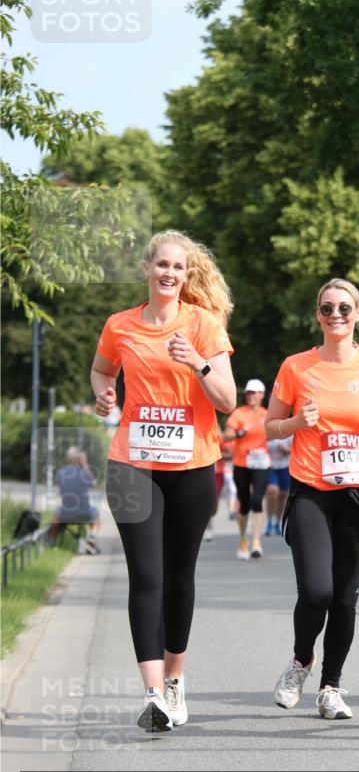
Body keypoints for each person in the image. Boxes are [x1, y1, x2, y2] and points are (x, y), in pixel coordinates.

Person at [91, 229, 236, 732]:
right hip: (132, 464)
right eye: (162, 266)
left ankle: (175, 678)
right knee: (146, 576)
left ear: (186, 276)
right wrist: (105, 394)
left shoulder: (204, 325)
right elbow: (101, 371)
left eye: (178, 268)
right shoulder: (120, 325)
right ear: (148, 270)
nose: (169, 274)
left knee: (179, 576)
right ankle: (152, 693)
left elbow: (227, 400)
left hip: (193, 465)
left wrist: (195, 362)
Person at [266, 278, 359, 720]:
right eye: (327, 308)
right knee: (317, 591)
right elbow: (270, 426)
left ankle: (331, 686)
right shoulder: (296, 367)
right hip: (312, 492)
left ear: (358, 313)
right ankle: (302, 660)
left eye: (344, 308)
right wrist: (296, 422)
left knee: (345, 598)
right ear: (317, 314)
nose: (335, 315)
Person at [224, 380, 271, 559]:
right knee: (244, 503)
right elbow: (227, 436)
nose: (251, 396)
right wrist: (238, 433)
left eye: (255, 393)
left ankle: (256, 541)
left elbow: (276, 432)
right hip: (241, 462)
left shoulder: (267, 414)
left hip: (261, 462)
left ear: (261, 395)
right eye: (248, 393)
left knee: (257, 500)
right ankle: (243, 538)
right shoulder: (239, 413)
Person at [51, 446, 102, 554]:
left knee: (56, 514)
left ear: (66, 459)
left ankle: (52, 541)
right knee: (96, 513)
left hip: (65, 514)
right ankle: (92, 537)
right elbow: (95, 485)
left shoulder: (60, 472)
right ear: (80, 460)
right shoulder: (84, 473)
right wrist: (85, 465)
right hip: (85, 513)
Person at [265, 434, 292, 534]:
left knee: (282, 496)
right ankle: (269, 521)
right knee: (272, 492)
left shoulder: (289, 430)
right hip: (270, 467)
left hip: (285, 467)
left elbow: (296, 449)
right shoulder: (268, 427)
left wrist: (287, 450)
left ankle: (277, 521)